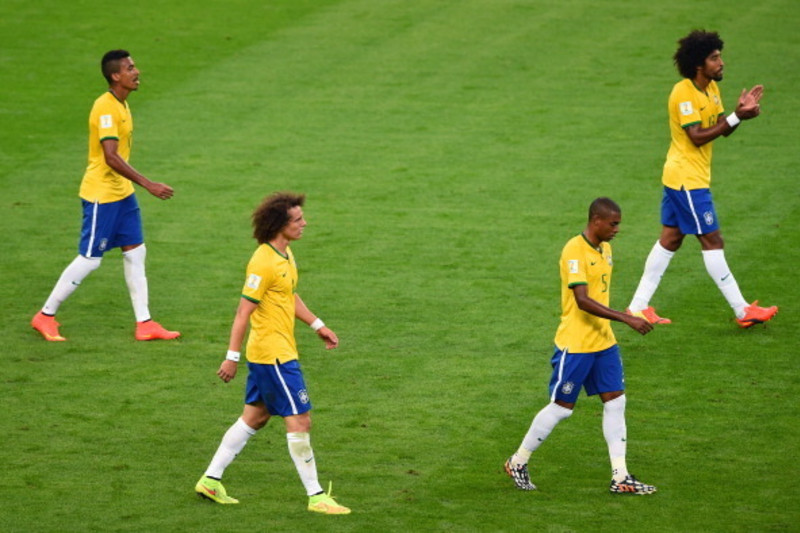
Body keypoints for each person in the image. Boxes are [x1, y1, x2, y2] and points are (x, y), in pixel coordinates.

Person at [195, 192, 350, 515]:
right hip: (274, 356)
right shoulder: (263, 262)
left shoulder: (285, 255)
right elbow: (242, 312)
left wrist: (317, 324)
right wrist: (231, 357)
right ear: (280, 225)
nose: (304, 223)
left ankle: (211, 480)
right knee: (300, 419)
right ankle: (316, 496)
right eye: (297, 220)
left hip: (278, 352)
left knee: (256, 416)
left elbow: (288, 296)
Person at [626, 30, 777, 328]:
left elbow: (722, 126)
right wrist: (735, 117)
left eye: (720, 56)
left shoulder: (710, 90)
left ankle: (637, 307)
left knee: (670, 239)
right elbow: (695, 137)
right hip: (687, 180)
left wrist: (740, 115)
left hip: (685, 177)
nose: (721, 63)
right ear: (699, 64)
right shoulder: (683, 92)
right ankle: (742, 310)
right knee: (712, 239)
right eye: (714, 58)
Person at [505, 198, 657, 495]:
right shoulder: (574, 250)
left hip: (604, 341)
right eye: (613, 224)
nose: (617, 229)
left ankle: (621, 476)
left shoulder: (606, 249)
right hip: (576, 344)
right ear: (596, 220)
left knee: (615, 402)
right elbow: (583, 301)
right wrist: (627, 318)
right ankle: (518, 461)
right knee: (562, 408)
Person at [30, 49, 179, 341]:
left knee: (136, 253)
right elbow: (110, 157)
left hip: (122, 193)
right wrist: (148, 184)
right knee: (90, 258)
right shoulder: (106, 108)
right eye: (130, 68)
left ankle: (145, 323)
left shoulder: (121, 104)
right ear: (116, 76)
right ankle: (45, 315)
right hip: (102, 195)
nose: (137, 72)